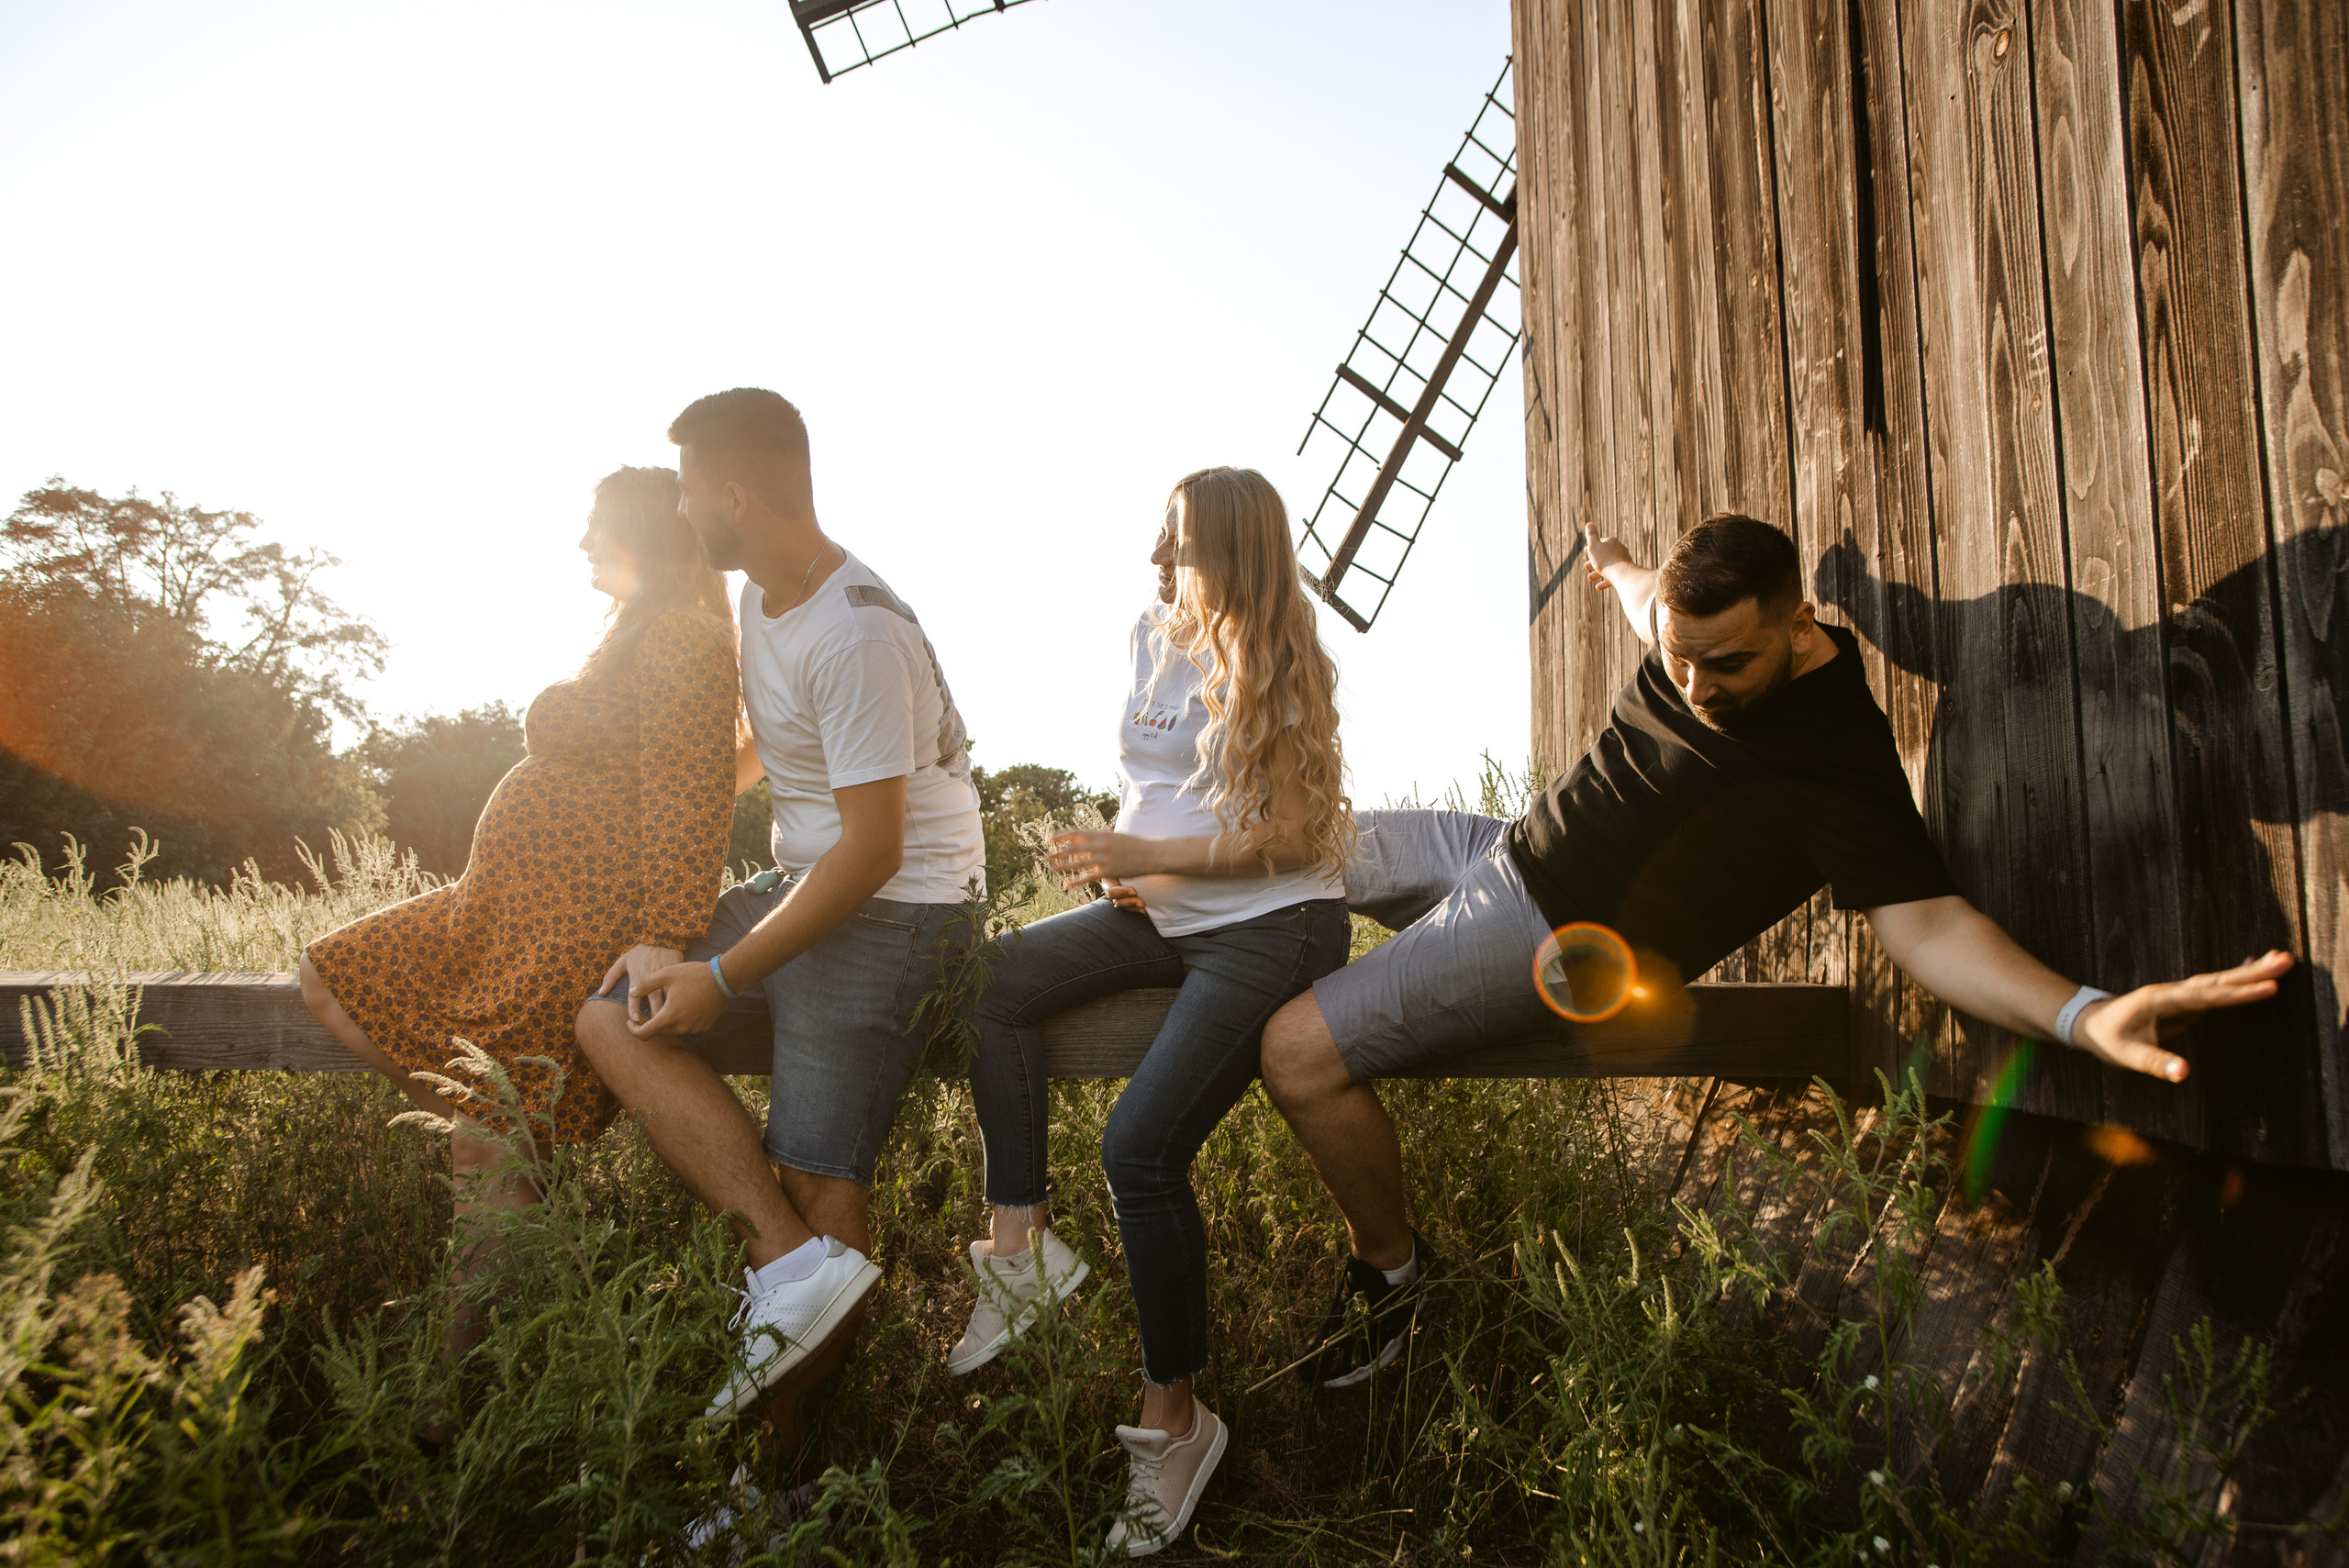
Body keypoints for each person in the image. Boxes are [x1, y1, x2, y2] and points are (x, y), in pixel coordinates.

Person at [1259, 513, 2298, 1386]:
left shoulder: (1835, 756)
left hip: (1548, 933)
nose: (1696, 686)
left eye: (1727, 664)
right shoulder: (1693, 628)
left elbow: (1929, 923)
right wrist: (1618, 562)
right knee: (1283, 845)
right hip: (1506, 847)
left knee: (1297, 1051)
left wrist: (2082, 1014)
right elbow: (1649, 604)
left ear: (1798, 626)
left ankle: (1392, 1279)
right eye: (1680, 658)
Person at [949, 467, 1354, 1558]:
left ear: (1234, 550)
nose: (1156, 556)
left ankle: (1175, 1417)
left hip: (1271, 923)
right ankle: (1021, 1247)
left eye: (1178, 539)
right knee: (988, 985)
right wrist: (1129, 865)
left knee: (1138, 1146)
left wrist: (1151, 854)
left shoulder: (1281, 654)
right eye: (1159, 535)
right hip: (1165, 913)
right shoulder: (1149, 630)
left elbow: (1291, 836)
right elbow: (1158, 785)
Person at [299, 466, 739, 1440]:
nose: (581, 542)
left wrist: (663, 931)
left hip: (575, 918)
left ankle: (447, 1402)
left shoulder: (685, 637)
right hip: (503, 910)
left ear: (645, 535)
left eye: (596, 527)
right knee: (331, 977)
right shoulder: (641, 632)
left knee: (486, 1137)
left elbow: (693, 790)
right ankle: (513, 1170)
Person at [574, 387, 985, 1424]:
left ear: (734, 497)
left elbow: (874, 849)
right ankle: (794, 1263)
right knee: (609, 1013)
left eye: (685, 491)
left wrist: (721, 974)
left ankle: (783, 1478)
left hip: (904, 908)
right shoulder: (760, 597)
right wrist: (668, 810)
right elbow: (773, 744)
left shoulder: (857, 631)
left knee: (818, 1176)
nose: (677, 511)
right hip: (805, 876)